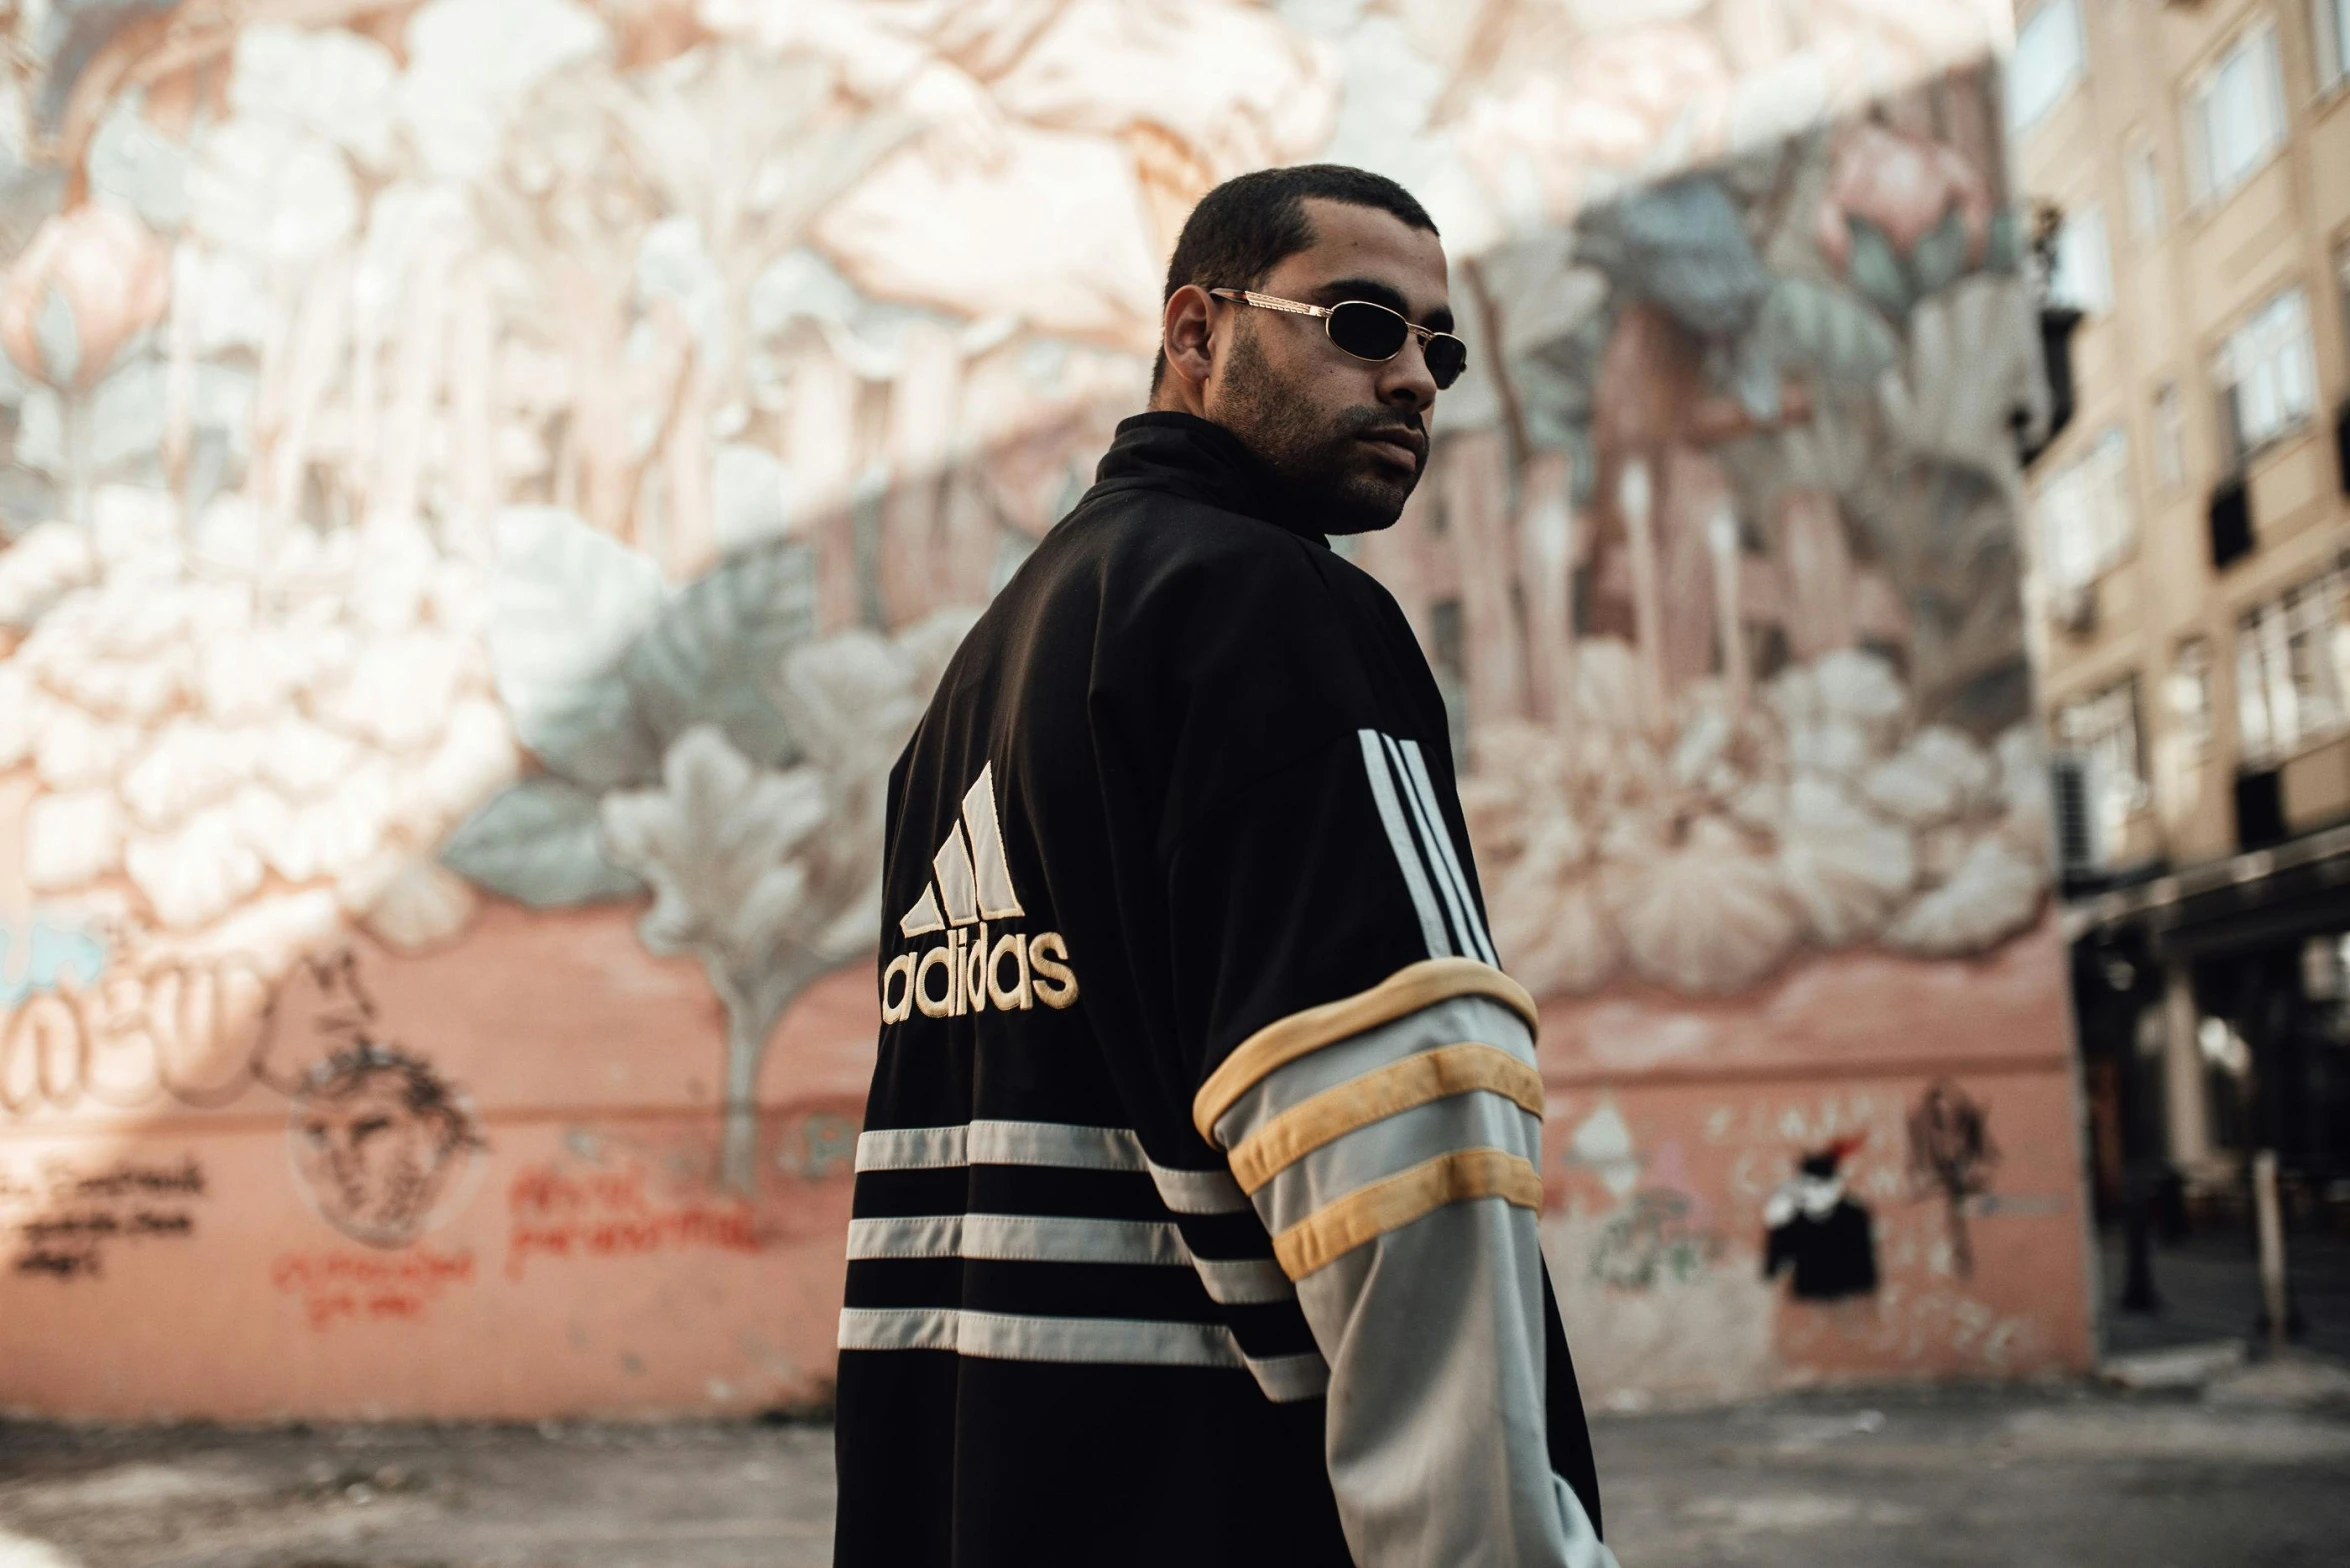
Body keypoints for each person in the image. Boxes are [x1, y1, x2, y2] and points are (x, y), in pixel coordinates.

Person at [833, 163, 1614, 1568]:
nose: (1417, 380)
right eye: (1362, 323)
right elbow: (1412, 1147)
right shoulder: (1280, 617)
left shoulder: (981, 679)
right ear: (1195, 334)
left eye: (1439, 349)